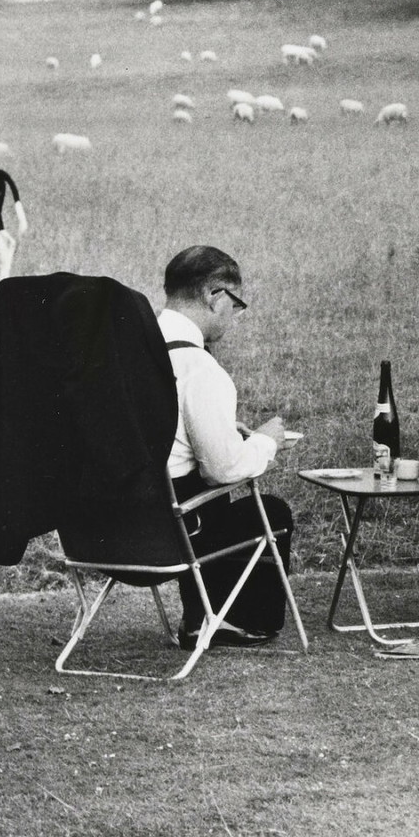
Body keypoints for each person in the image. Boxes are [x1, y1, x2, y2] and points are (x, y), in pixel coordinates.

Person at [158, 245, 296, 648]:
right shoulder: (200, 368)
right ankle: (237, 619)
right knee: (270, 511)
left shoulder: (128, 352)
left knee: (192, 479)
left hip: (105, 530)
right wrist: (265, 443)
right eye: (236, 305)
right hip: (174, 534)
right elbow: (222, 469)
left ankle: (199, 614)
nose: (234, 317)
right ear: (214, 295)